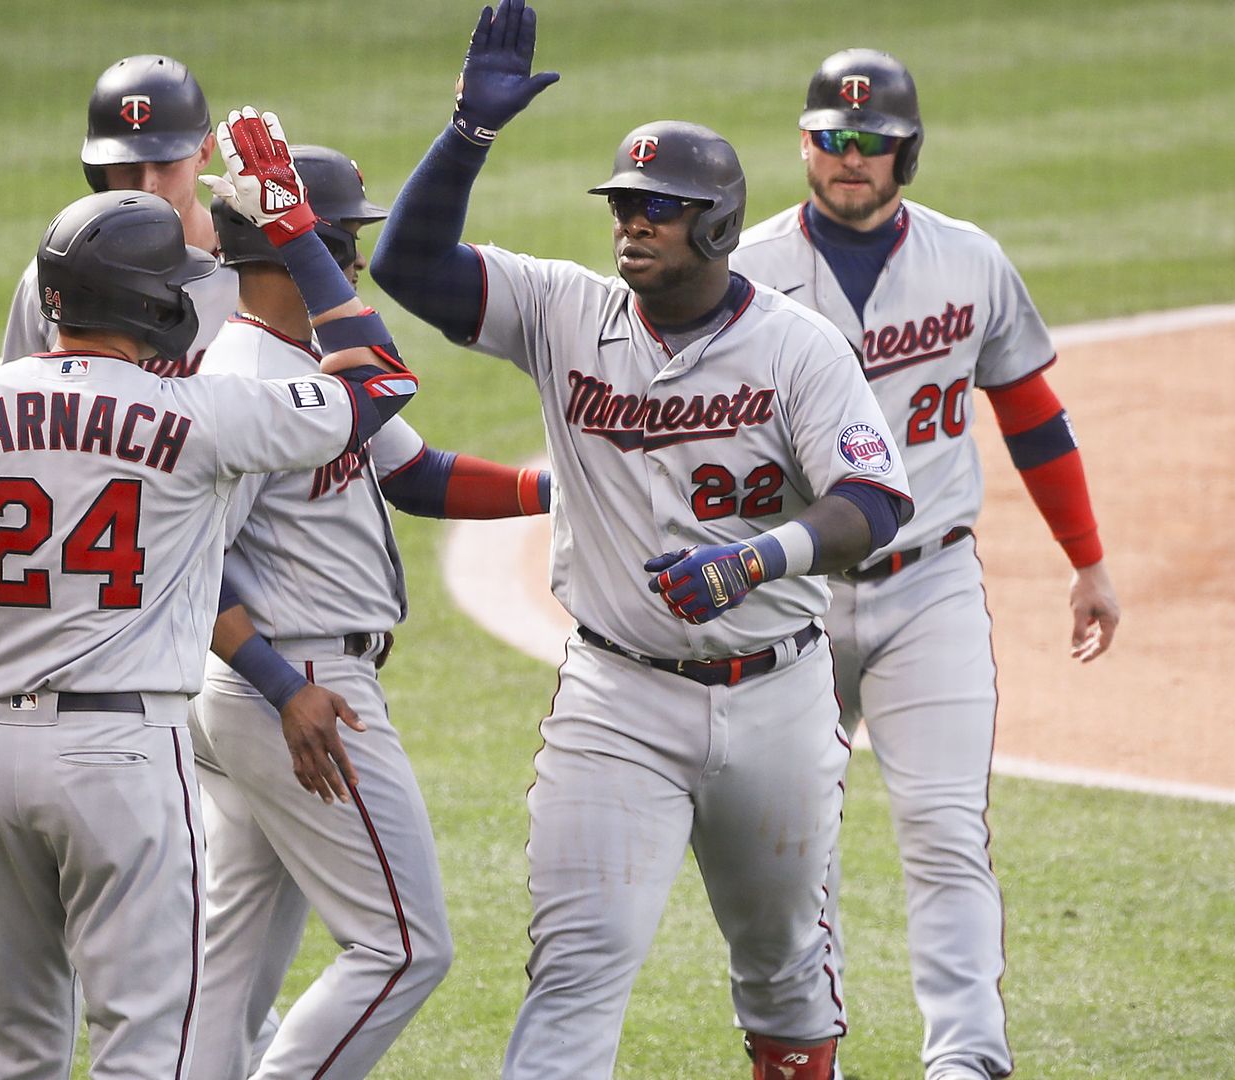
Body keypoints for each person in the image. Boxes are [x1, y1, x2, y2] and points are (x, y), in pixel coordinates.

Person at [370, 3, 918, 1078]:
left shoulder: (798, 349)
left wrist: (753, 559)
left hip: (777, 696)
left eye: (662, 209)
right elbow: (410, 268)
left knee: (784, 973)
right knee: (578, 966)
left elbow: (875, 505)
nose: (633, 224)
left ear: (717, 226)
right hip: (616, 697)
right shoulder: (562, 311)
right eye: (624, 204)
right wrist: (467, 137)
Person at [0, 182, 421, 1079]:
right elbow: (383, 381)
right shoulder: (201, 415)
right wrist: (295, 235)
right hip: (123, 762)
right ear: (153, 303)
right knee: (146, 1050)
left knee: (16, 1056)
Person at [729, 49, 1123, 1080]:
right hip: (794, 595)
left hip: (930, 585)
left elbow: (1034, 419)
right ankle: (808, 1054)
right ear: (805, 147)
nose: (848, 159)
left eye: (870, 143)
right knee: (792, 849)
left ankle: (968, 1060)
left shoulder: (968, 260)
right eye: (829, 139)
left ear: (908, 151)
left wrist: (1087, 560)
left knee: (946, 830)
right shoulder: (751, 271)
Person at [188, 120, 552, 1080]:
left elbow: (419, 474)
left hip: (288, 690)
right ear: (283, 247)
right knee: (404, 949)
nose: (350, 261)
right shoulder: (241, 381)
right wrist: (281, 686)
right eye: (335, 241)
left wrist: (565, 490)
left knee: (231, 969)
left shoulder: (306, 364)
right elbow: (190, 569)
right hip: (298, 691)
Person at [0, 54, 239, 378]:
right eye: (127, 168)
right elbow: (17, 399)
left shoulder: (250, 279)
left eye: (165, 163)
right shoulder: (54, 278)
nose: (146, 185)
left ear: (205, 153)